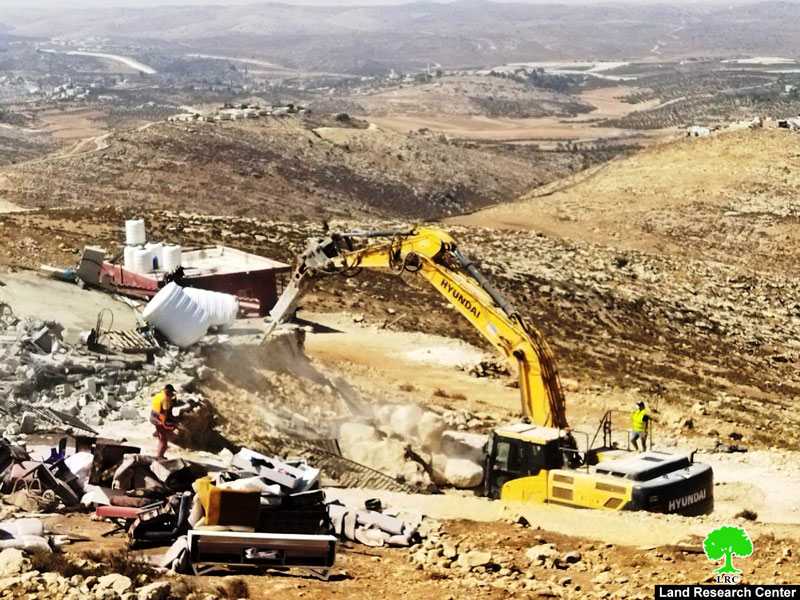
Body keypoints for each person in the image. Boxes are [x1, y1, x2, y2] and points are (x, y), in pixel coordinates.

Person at [150, 384, 177, 459]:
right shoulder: (165, 399)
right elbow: (166, 413)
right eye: (171, 393)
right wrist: (173, 420)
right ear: (168, 392)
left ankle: (159, 454)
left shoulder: (159, 395)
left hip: (153, 417)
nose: (172, 395)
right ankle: (159, 457)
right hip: (160, 420)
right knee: (164, 441)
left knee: (161, 438)